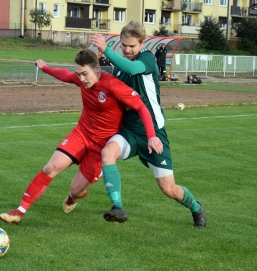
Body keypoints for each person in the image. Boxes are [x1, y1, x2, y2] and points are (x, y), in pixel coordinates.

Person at [0, 49, 163, 224]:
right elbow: (65, 75)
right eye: (79, 74)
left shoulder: (114, 85)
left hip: (102, 146)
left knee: (76, 190)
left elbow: (142, 108)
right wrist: (44, 67)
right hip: (81, 134)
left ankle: (73, 197)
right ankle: (19, 212)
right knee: (50, 167)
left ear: (97, 68)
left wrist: (151, 136)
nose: (82, 79)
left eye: (85, 74)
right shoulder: (80, 79)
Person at [88, 21, 206, 227]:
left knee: (169, 189)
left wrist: (106, 49)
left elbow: (133, 69)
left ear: (142, 44)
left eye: (132, 46)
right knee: (107, 153)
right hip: (131, 132)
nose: (127, 49)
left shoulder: (147, 58)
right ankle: (117, 207)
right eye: (124, 45)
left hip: (154, 134)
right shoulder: (118, 71)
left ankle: (196, 207)